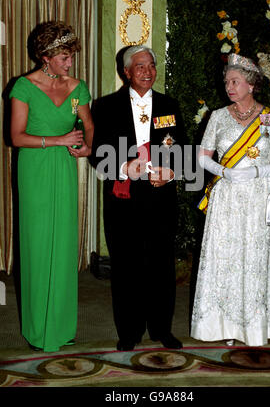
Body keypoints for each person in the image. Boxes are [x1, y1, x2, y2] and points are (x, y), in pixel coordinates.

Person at [191, 53, 270, 347]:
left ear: (251, 85)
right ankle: (225, 325)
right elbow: (202, 157)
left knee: (256, 258)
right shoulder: (218, 117)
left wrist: (259, 172)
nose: (229, 87)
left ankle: (257, 326)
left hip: (260, 195)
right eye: (227, 82)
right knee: (227, 256)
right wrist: (224, 171)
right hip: (226, 197)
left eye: (235, 81)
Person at [91, 46, 185, 351]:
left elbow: (182, 148)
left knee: (161, 265)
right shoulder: (104, 106)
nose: (147, 71)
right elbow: (96, 152)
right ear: (126, 72)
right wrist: (122, 167)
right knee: (127, 266)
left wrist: (171, 172)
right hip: (124, 197)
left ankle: (162, 329)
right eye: (140, 66)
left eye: (151, 65)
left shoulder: (170, 105)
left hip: (160, 197)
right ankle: (129, 332)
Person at [10, 21, 94, 352]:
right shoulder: (24, 87)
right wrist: (58, 139)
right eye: (63, 57)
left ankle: (61, 324)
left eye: (71, 56)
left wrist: (87, 146)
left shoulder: (77, 87)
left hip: (63, 168)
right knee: (37, 243)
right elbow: (16, 137)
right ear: (45, 56)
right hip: (35, 168)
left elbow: (88, 124)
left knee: (62, 244)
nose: (69, 63)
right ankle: (36, 327)